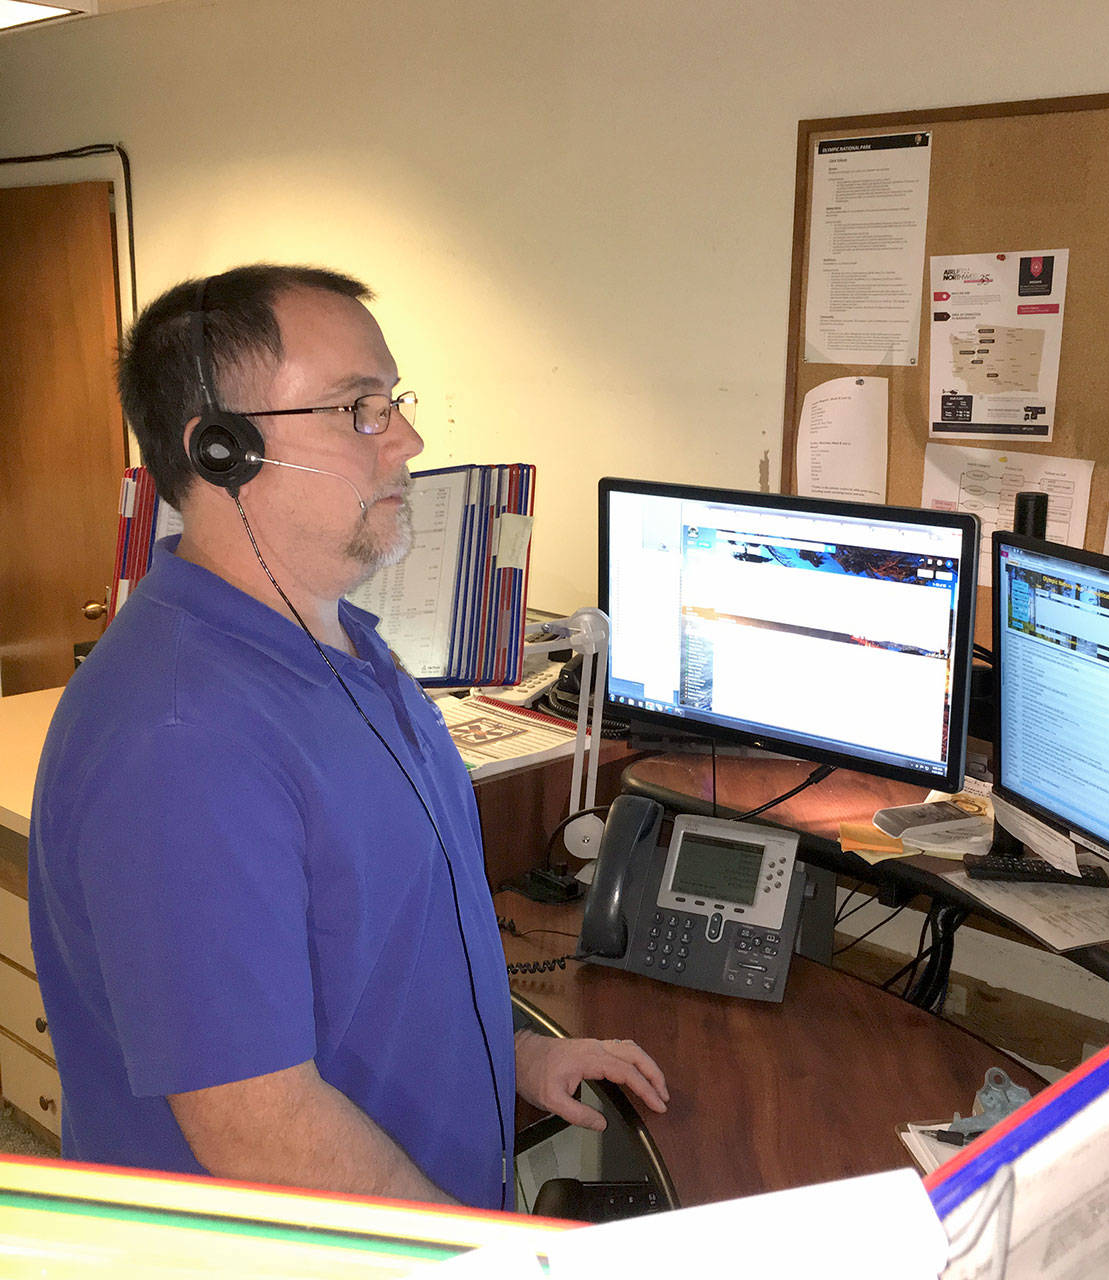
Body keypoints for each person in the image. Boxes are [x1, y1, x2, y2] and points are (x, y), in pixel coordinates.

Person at [28, 264, 668, 1211]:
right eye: (358, 408)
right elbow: (260, 1124)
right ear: (223, 453)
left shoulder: (339, 642)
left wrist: (515, 1054)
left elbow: (382, 949)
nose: (407, 436)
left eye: (393, 400)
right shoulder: (182, 742)